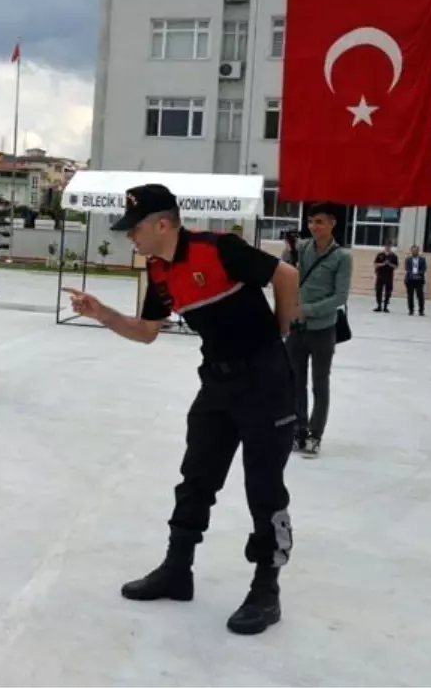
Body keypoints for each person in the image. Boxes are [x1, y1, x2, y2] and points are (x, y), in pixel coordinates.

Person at [64, 183, 300, 636]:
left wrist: (281, 335)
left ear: (163, 223)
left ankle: (266, 589)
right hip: (217, 383)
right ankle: (177, 570)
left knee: (264, 488)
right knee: (195, 479)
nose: (130, 237)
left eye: (134, 229)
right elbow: (147, 331)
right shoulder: (157, 272)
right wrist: (103, 314)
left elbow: (285, 276)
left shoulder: (220, 248)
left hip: (265, 383)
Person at [286, 203, 352, 458]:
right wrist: (288, 251)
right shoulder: (301, 248)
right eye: (311, 221)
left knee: (319, 384)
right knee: (295, 382)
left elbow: (340, 296)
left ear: (332, 224)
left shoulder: (342, 257)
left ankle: (315, 434)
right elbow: (286, 273)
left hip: (323, 329)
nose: (314, 227)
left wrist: (308, 309)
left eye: (320, 222)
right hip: (296, 329)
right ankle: (297, 429)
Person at [373, 241, 398, 312]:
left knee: (388, 291)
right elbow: (375, 264)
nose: (388, 247)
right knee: (378, 290)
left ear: (391, 247)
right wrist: (383, 264)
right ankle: (379, 306)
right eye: (386, 246)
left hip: (389, 276)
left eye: (389, 246)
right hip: (380, 276)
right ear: (384, 246)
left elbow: (396, 266)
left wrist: (389, 264)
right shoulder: (380, 254)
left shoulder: (393, 256)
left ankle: (385, 306)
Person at [403, 245, 427, 317]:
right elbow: (407, 268)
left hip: (419, 280)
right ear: (411, 251)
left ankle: (421, 311)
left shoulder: (422, 259)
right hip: (410, 280)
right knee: (410, 296)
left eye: (416, 250)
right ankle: (411, 310)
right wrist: (412, 275)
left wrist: (418, 274)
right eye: (413, 250)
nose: (414, 252)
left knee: (420, 296)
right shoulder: (408, 259)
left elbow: (424, 269)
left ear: (418, 251)